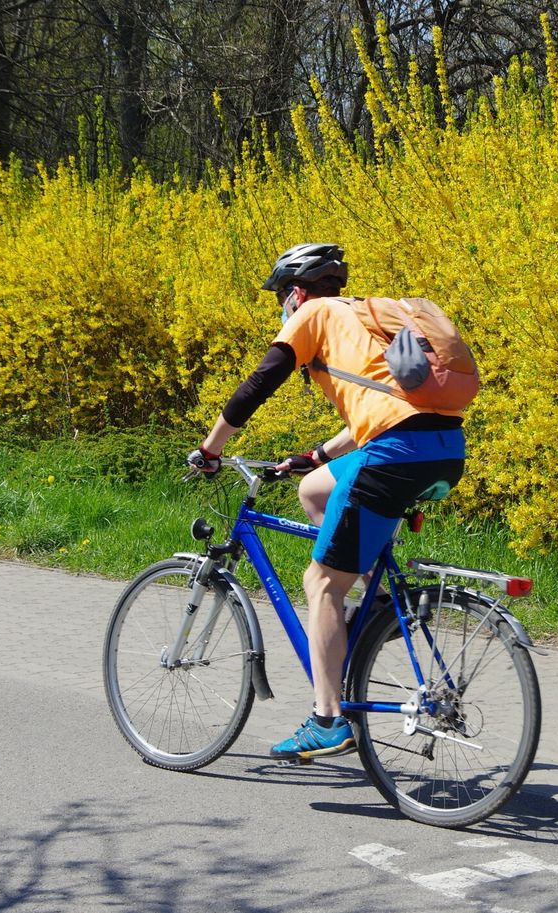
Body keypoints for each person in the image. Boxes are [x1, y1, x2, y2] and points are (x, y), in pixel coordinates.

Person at [187, 242, 466, 763]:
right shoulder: (365, 318)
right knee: (313, 490)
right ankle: (379, 602)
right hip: (445, 449)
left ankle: (327, 719)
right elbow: (383, 409)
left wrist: (211, 448)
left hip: (393, 455)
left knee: (319, 583)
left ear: (295, 292)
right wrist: (313, 456)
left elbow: (258, 384)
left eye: (280, 298)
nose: (282, 307)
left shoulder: (313, 314)